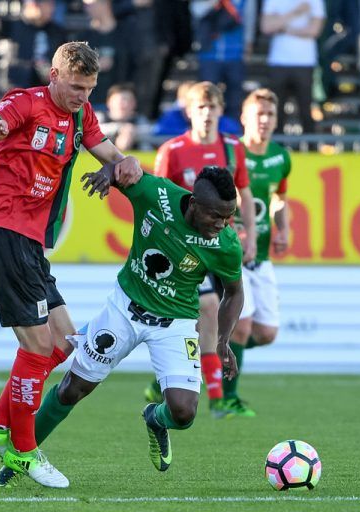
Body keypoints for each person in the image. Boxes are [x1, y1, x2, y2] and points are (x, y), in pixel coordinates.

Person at [0, 41, 142, 488]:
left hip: (29, 244)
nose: (82, 95)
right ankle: (23, 451)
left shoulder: (82, 115)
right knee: (38, 347)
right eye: (77, 86)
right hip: (1, 233)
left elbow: (113, 157)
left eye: (90, 88)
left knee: (62, 343)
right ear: (55, 75)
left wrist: (129, 162)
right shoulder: (25, 103)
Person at [0, 165, 245, 487]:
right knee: (72, 389)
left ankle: (155, 418)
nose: (222, 225)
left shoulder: (225, 244)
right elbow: (127, 171)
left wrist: (223, 342)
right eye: (216, 216)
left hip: (176, 323)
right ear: (194, 203)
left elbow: (235, 293)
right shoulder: (159, 195)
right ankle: (19, 459)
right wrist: (108, 172)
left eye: (228, 217)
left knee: (183, 413)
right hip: (124, 311)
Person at [145, 81, 256, 419]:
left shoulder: (232, 148)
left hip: (221, 243)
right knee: (207, 309)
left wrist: (249, 234)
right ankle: (219, 397)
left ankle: (174, 382)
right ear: (189, 112)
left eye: (213, 108)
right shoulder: (173, 150)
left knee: (245, 324)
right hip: (185, 248)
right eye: (201, 108)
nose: (207, 114)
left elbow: (244, 194)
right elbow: (159, 197)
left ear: (222, 111)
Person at [224, 88, 291, 416]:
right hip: (234, 255)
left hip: (262, 256)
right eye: (258, 114)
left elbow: (279, 197)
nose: (264, 121)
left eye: (270, 115)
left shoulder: (281, 156)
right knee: (243, 326)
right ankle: (227, 398)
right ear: (244, 118)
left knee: (266, 333)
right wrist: (233, 229)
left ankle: (209, 359)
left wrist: (284, 228)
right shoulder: (232, 153)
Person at [260, 0, 325, 134]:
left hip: (305, 62)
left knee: (306, 110)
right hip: (278, 62)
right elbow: (266, 27)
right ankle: (276, 149)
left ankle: (310, 147)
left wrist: (282, 26)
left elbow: (314, 30)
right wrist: (295, 13)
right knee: (276, 111)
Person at [154, 81, 242, 136]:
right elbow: (158, 132)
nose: (206, 112)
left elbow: (234, 129)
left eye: (211, 106)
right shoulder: (172, 116)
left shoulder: (217, 117)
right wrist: (188, 132)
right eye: (201, 107)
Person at [96, 83, 150, 151]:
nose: (123, 104)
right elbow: (92, 132)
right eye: (118, 100)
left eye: (128, 100)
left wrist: (131, 131)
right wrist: (119, 128)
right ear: (108, 102)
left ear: (134, 103)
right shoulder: (99, 117)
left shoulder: (140, 119)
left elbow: (151, 133)